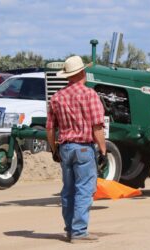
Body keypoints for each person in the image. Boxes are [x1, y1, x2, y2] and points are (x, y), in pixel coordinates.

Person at [46, 55, 107, 243]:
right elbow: (97, 127)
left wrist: (54, 150)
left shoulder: (56, 97)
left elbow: (50, 128)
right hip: (83, 148)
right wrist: (103, 150)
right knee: (84, 189)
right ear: (82, 72)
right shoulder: (90, 95)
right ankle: (79, 232)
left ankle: (70, 229)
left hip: (65, 147)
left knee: (68, 190)